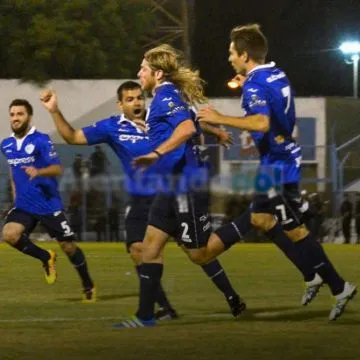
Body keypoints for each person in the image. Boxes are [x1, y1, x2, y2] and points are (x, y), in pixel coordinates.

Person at [40, 81, 242, 321]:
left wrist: (216, 132)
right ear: (120, 104)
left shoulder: (159, 116)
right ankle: (165, 308)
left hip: (169, 193)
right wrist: (54, 110)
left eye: (139, 97)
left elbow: (190, 122)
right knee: (138, 251)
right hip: (141, 200)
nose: (136, 102)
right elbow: (72, 136)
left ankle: (231, 296)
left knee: (195, 251)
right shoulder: (113, 127)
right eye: (130, 99)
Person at [197, 24, 357, 321]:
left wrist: (220, 117)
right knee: (260, 218)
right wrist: (247, 83)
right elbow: (271, 102)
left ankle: (339, 286)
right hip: (276, 161)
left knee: (295, 230)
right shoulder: (275, 72)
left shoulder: (255, 85)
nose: (229, 57)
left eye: (232, 52)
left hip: (279, 166)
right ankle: (312, 275)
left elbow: (261, 123)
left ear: (245, 55)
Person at [1, 99, 96, 302]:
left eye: (20, 114)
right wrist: (16, 196)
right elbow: (12, 171)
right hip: (24, 205)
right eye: (12, 114)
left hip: (47, 204)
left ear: (29, 117)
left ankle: (88, 285)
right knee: (9, 234)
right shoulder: (6, 144)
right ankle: (45, 257)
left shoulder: (41, 140)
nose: (15, 118)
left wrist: (39, 171)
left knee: (68, 247)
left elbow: (57, 168)